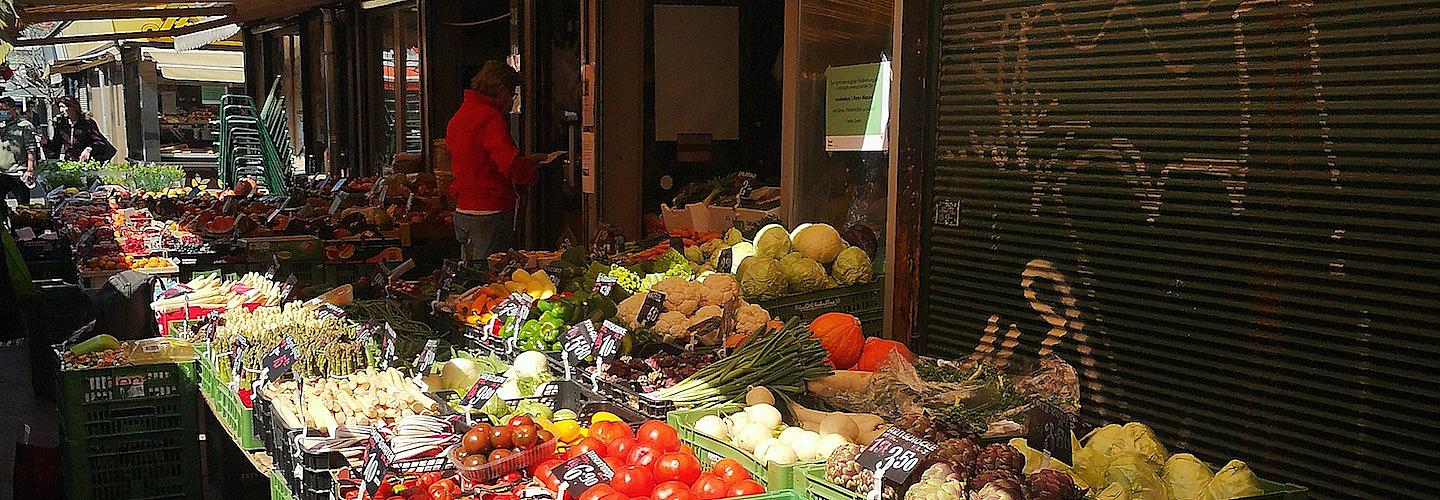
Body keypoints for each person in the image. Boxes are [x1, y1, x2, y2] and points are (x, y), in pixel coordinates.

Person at [446, 61, 552, 262]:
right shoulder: (490, 118)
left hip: (463, 210)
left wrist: (525, 161)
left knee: (471, 275)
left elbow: (478, 159)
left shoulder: (460, 115)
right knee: (492, 278)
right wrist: (530, 173)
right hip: (490, 211)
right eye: (512, 95)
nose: (511, 101)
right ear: (501, 91)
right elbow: (509, 164)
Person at [43, 95, 116, 163]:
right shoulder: (61, 124)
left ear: (73, 107)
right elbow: (56, 146)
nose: (61, 110)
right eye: (59, 107)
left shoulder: (86, 123)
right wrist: (45, 142)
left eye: (63, 107)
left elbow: (99, 142)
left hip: (87, 162)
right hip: (70, 164)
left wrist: (89, 148)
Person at [0, 97, 37, 187]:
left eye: (4, 109)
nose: (1, 112)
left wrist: (30, 169)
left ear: (13, 109)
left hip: (18, 172)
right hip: (1, 173)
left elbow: (31, 149)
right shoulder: (2, 125)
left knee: (23, 200)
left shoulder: (24, 125)